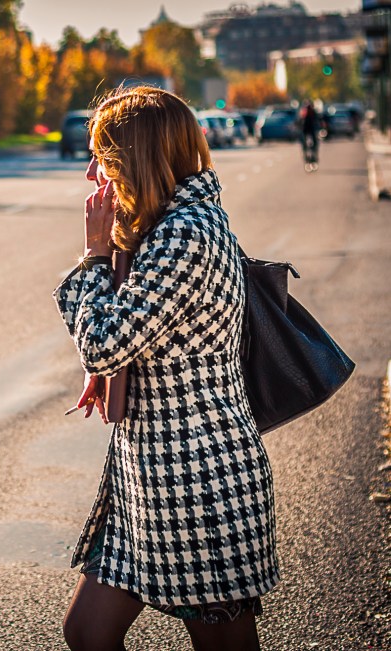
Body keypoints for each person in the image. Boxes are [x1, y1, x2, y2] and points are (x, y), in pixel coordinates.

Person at [52, 86, 280, 651]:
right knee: (87, 632)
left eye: (102, 160)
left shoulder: (187, 233)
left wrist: (94, 256)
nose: (92, 177)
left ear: (136, 160)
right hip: (146, 476)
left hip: (199, 480)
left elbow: (105, 343)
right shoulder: (169, 225)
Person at [298, 100, 320, 170]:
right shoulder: (306, 112)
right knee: (308, 144)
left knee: (312, 144)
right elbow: (300, 121)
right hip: (307, 131)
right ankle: (309, 156)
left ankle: (311, 156)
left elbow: (318, 120)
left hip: (309, 130)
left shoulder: (309, 112)